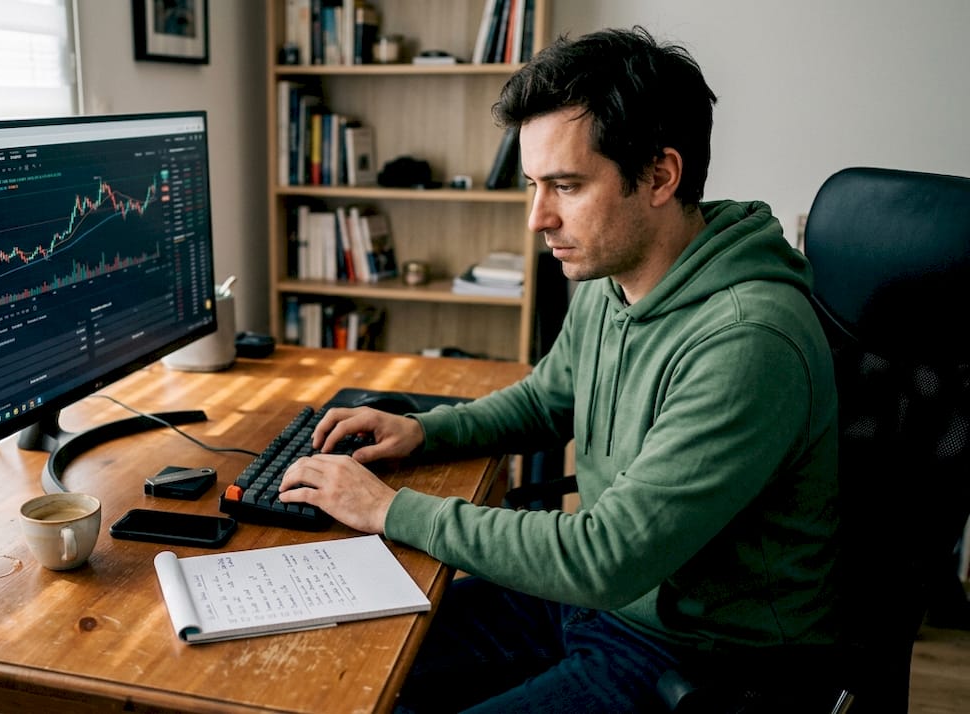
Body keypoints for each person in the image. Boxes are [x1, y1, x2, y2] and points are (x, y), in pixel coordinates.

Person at [277, 26, 841, 713]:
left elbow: (605, 557)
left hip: (698, 656)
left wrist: (388, 509)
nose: (537, 218)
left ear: (661, 176)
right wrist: (426, 432)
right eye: (535, 185)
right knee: (345, 666)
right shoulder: (615, 276)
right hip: (594, 604)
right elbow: (548, 400)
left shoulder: (749, 342)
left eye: (566, 186)